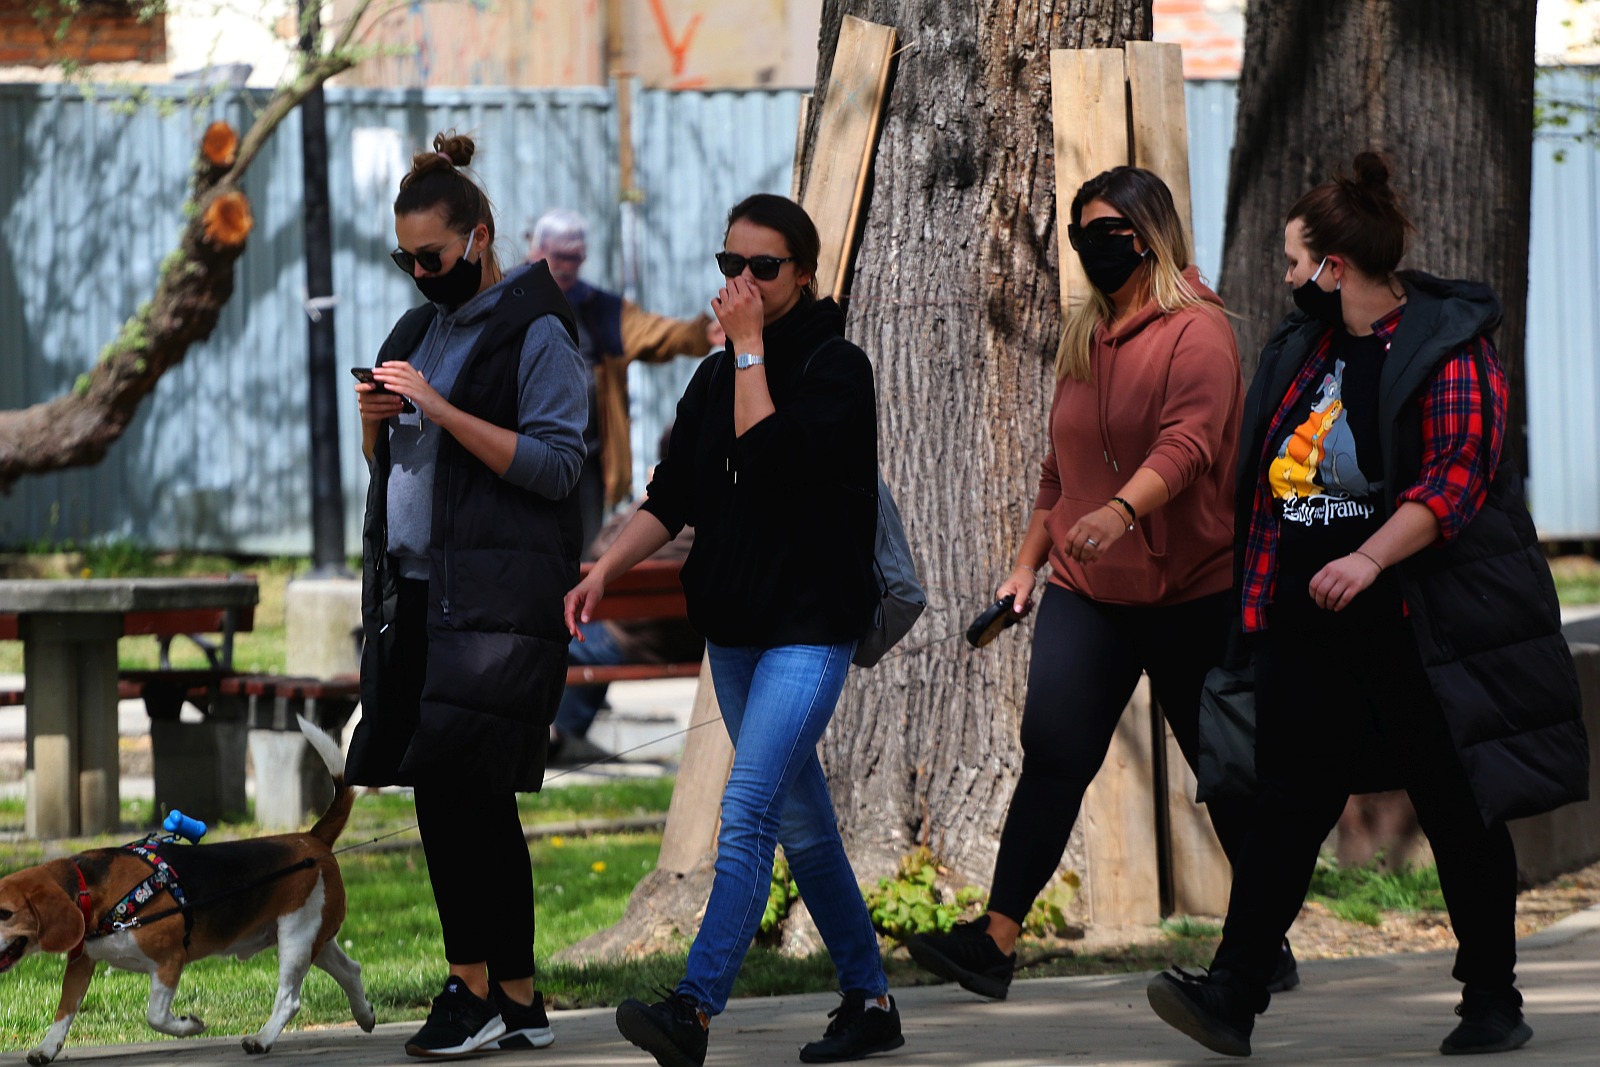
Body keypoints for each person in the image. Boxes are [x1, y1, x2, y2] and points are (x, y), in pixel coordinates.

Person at [1145, 152, 1588, 1058]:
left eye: (1293, 259)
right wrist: (1261, 611)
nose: (1285, 277)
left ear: (1335, 267)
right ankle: (1233, 994)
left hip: (1421, 629)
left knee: (1459, 807)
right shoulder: (1303, 347)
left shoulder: (1448, 347)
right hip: (1310, 634)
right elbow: (1268, 490)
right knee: (1285, 810)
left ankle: (1492, 1001)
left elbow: (1455, 479)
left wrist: (1367, 558)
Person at [900, 166, 1296, 999]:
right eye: (1082, 231)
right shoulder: (1087, 333)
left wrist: (1120, 511)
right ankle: (996, 942)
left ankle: (1264, 938)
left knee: (1223, 771)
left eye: (1110, 230)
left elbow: (1188, 447)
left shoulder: (1201, 332)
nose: (1093, 246)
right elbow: (1058, 471)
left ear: (1151, 235)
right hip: (1089, 592)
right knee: (1053, 757)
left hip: (1191, 591)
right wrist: (1023, 566)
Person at [564, 193, 903, 1066]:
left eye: (761, 268)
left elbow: (771, 461)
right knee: (805, 826)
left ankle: (694, 1006)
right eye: (729, 266)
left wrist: (748, 346)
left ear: (803, 274)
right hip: (739, 633)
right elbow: (675, 494)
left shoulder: (837, 368)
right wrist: (606, 567)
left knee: (747, 809)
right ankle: (870, 998)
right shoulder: (714, 378)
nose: (740, 283)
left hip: (809, 629)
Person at [346, 131, 588, 1059]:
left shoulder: (539, 331)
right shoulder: (417, 332)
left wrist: (441, 411)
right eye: (404, 258)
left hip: (493, 601)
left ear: (479, 237)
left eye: (433, 257)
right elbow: (401, 470)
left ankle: (471, 987)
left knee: (463, 795)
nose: (418, 272)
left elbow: (559, 466)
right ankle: (517, 999)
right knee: (465, 799)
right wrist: (377, 427)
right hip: (419, 596)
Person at [527, 209, 722, 552]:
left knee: (580, 552)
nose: (568, 266)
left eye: (576, 258)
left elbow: (653, 331)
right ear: (536, 250)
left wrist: (701, 333)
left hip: (584, 461)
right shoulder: (513, 300)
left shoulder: (598, 309)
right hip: (524, 455)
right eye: (560, 257)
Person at [549, 424, 704, 766]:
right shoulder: (712, 520)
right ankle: (564, 731)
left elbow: (601, 547)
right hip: (688, 642)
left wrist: (648, 499)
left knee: (567, 636)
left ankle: (556, 733)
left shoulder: (666, 522)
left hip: (630, 640)